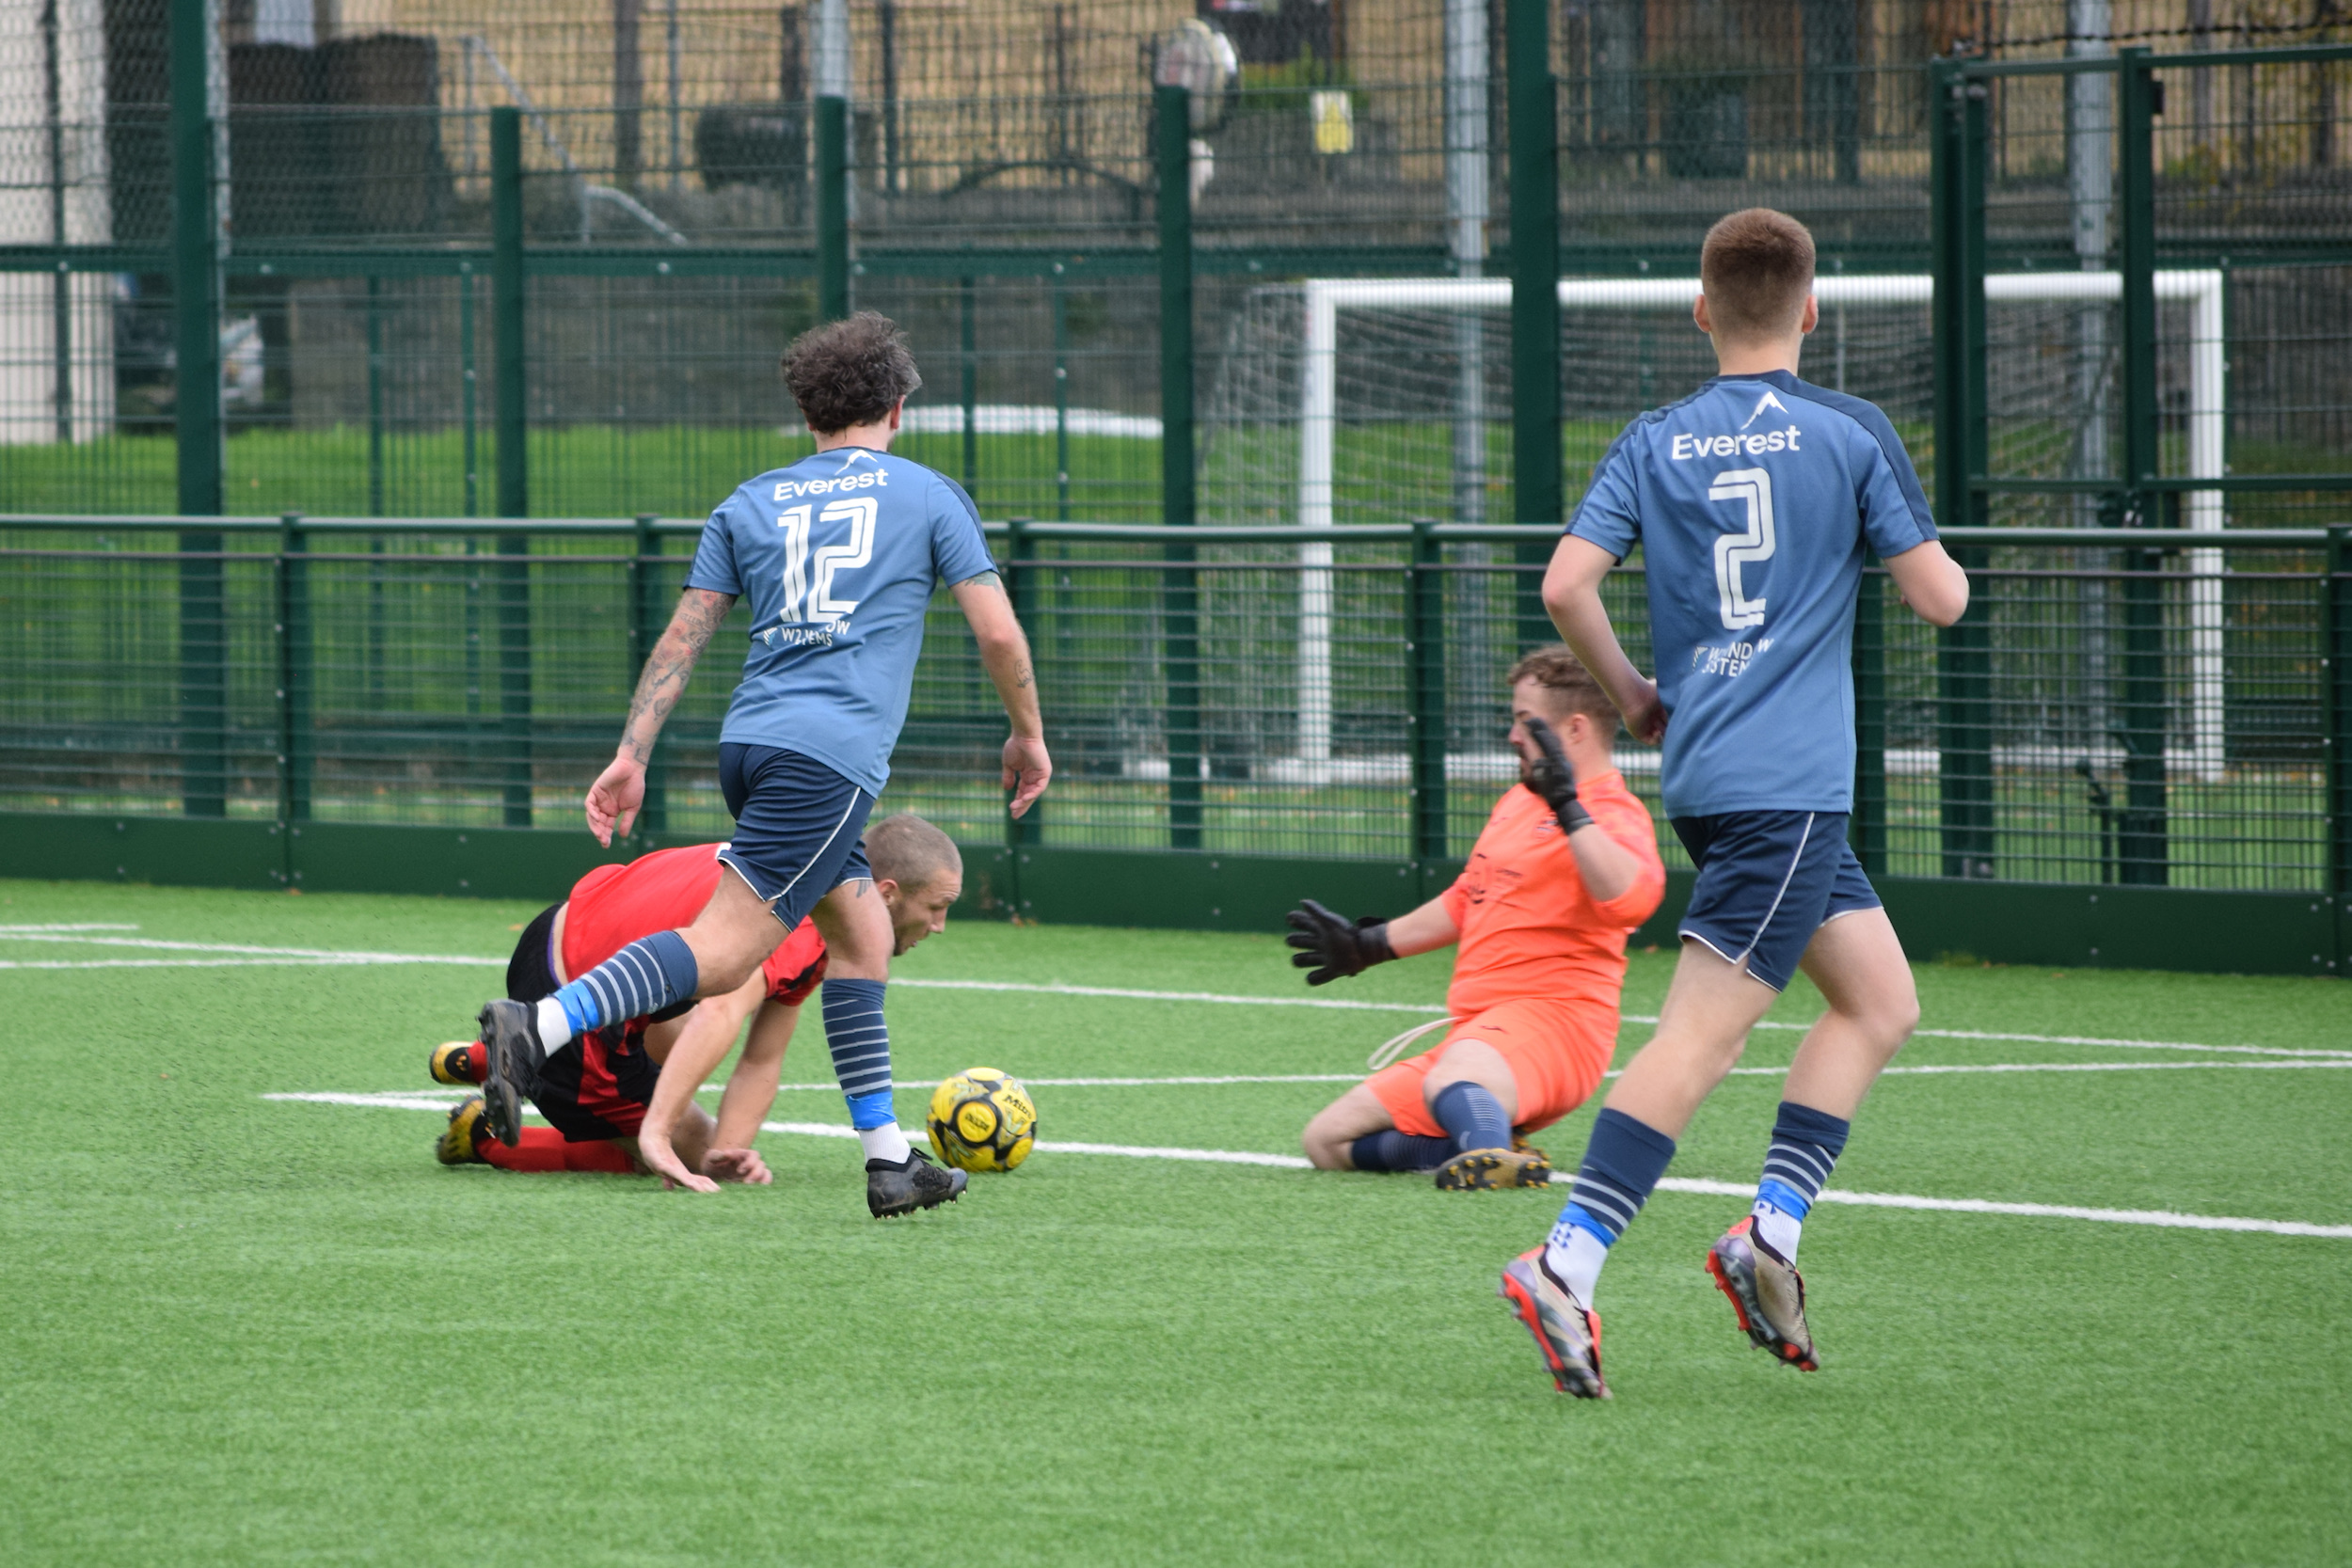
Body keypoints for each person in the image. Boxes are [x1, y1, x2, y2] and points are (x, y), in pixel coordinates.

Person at [1497, 208, 1970, 1400]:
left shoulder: (1654, 438)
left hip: (1711, 777)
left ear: (1701, 310)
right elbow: (1941, 600)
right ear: (1812, 310)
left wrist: (1634, 695)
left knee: (1878, 1001)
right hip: (1792, 789)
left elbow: (1564, 584)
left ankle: (1770, 1231)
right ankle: (1568, 1255)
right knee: (1700, 1036)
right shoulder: (1850, 430)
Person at [466, 310, 1049, 1222]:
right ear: (896, 408)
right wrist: (1027, 734)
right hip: (829, 761)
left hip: (751, 745)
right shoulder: (929, 494)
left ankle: (888, 1158)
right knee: (724, 953)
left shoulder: (750, 501)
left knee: (861, 939)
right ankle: (536, 1025)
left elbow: (683, 636)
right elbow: (998, 631)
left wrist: (632, 753)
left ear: (809, 413)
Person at [433, 815, 965, 1213]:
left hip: (555, 934)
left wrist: (727, 1148)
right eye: (936, 908)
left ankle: (491, 1055)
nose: (939, 926)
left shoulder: (791, 851)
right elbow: (721, 1015)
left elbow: (763, 1059)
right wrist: (667, 1136)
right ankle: (481, 1134)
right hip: (580, 1010)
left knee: (689, 1038)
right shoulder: (809, 920)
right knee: (671, 1152)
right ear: (886, 894)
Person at [1289, 647, 1664, 1192]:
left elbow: (1632, 899)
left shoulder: (1611, 809)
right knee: (1326, 1141)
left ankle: (1486, 1149)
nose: (1512, 736)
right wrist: (1366, 945)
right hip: (1483, 1032)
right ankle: (1486, 1148)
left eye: (1522, 721)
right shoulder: (1517, 801)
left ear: (1575, 729)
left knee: (1455, 1075)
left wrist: (1569, 808)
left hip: (1558, 1026)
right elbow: (1469, 898)